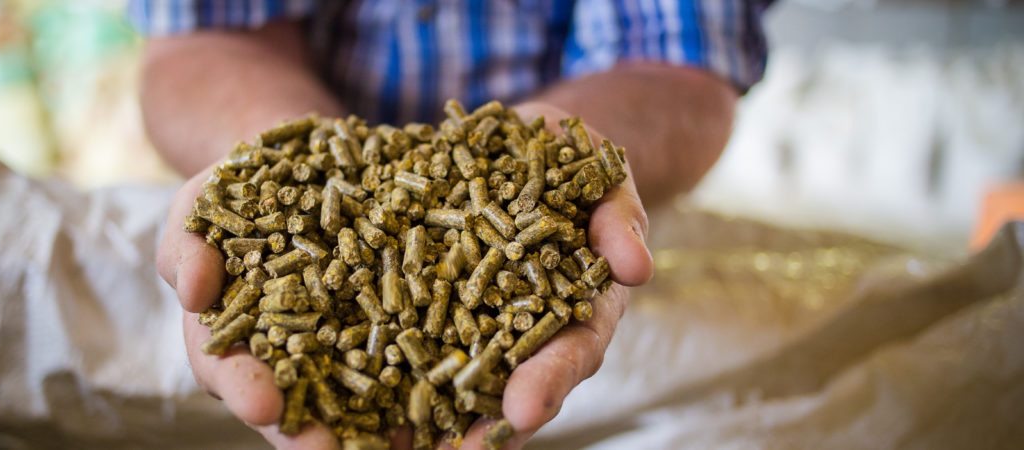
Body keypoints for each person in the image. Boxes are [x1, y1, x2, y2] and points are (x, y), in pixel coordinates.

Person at [130, 0, 769, 447]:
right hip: (316, 159)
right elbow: (204, 40)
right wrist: (287, 152)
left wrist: (557, 161)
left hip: (619, 249)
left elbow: (675, 64)